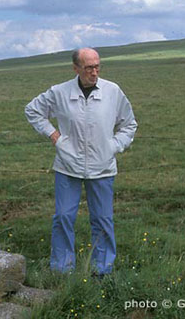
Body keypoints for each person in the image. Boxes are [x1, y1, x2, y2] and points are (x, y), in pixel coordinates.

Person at [24, 47, 137, 276]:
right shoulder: (60, 92)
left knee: (103, 219)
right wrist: (54, 136)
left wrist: (114, 146)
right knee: (64, 216)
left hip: (102, 167)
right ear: (76, 68)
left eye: (97, 66)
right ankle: (62, 270)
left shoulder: (112, 91)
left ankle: (101, 270)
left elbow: (129, 124)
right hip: (68, 165)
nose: (94, 72)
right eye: (88, 68)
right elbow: (33, 110)